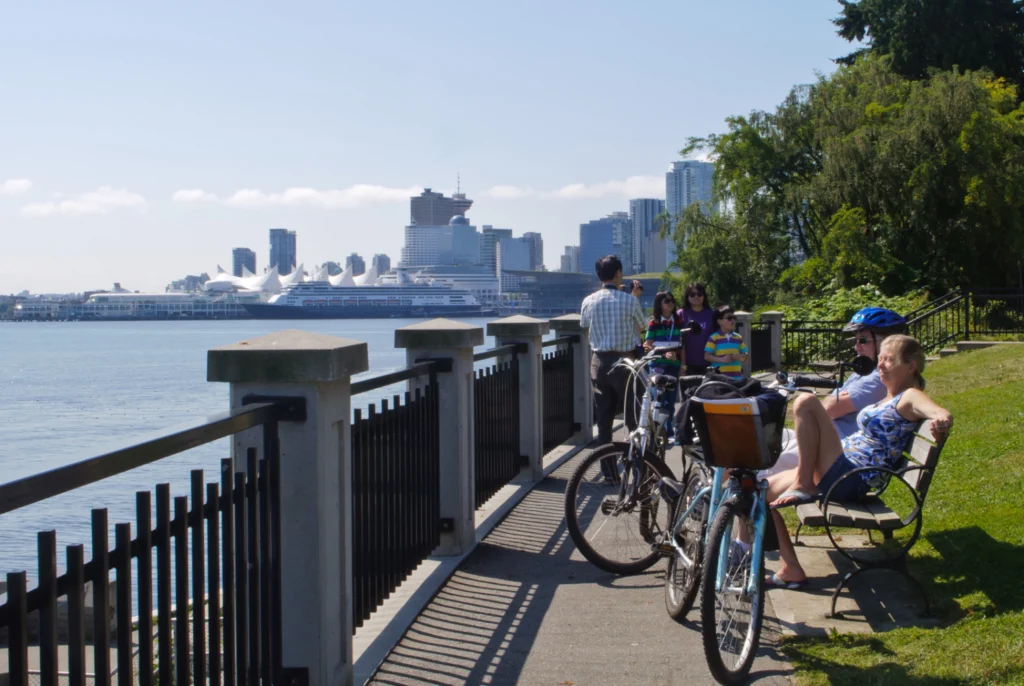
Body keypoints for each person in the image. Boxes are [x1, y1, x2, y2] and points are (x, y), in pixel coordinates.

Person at [765, 335, 953, 587]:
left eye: (889, 359)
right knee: (762, 491)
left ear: (911, 366)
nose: (881, 365)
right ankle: (791, 568)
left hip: (852, 476)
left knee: (806, 401)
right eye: (881, 358)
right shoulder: (889, 397)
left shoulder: (909, 396)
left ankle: (804, 483)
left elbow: (937, 411)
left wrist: (941, 418)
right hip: (842, 471)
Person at [761, 307, 907, 477]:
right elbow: (831, 404)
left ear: (886, 341)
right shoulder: (863, 375)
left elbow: (827, 410)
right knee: (760, 443)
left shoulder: (878, 380)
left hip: (833, 448)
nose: (856, 347)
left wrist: (833, 401)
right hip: (821, 437)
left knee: (761, 466)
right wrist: (834, 401)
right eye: (855, 340)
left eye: (863, 340)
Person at [580, 255, 647, 449]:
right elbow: (642, 327)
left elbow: (584, 325)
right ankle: (637, 469)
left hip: (599, 362)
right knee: (633, 416)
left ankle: (608, 471)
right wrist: (635, 297)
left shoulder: (588, 301)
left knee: (604, 418)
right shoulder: (629, 301)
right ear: (619, 273)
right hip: (626, 363)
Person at [643, 291, 684, 438]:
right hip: (657, 365)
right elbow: (647, 345)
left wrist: (682, 366)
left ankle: (667, 431)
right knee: (658, 398)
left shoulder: (679, 322)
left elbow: (683, 345)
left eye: (672, 300)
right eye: (666, 301)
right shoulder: (654, 322)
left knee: (671, 399)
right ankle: (656, 431)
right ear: (659, 304)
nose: (670, 303)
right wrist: (662, 353)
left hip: (673, 365)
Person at [678, 282, 715, 375]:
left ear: (704, 296)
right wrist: (683, 366)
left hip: (709, 363)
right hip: (687, 364)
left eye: (699, 294)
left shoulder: (711, 314)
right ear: (687, 296)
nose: (696, 297)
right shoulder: (681, 314)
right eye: (692, 294)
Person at [704, 306, 749, 381]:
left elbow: (746, 357)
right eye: (729, 318)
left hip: (736, 378)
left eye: (734, 318)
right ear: (719, 321)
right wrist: (722, 360)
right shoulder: (714, 337)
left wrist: (740, 357)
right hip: (719, 379)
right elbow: (707, 356)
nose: (733, 321)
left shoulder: (738, 337)